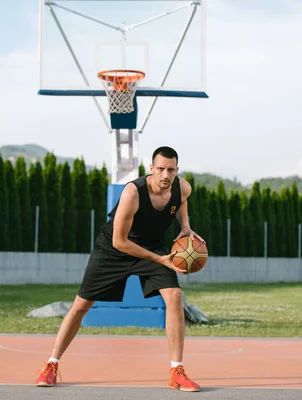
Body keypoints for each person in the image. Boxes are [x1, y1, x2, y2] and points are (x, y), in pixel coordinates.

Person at [35, 146, 206, 392]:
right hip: (113, 250)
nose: (165, 175)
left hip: (152, 246)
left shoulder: (183, 187)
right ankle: (51, 365)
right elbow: (120, 241)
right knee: (82, 305)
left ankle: (176, 371)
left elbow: (182, 201)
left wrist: (186, 227)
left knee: (175, 296)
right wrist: (158, 260)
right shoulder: (133, 193)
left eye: (171, 170)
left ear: (176, 170)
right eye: (160, 169)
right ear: (151, 169)